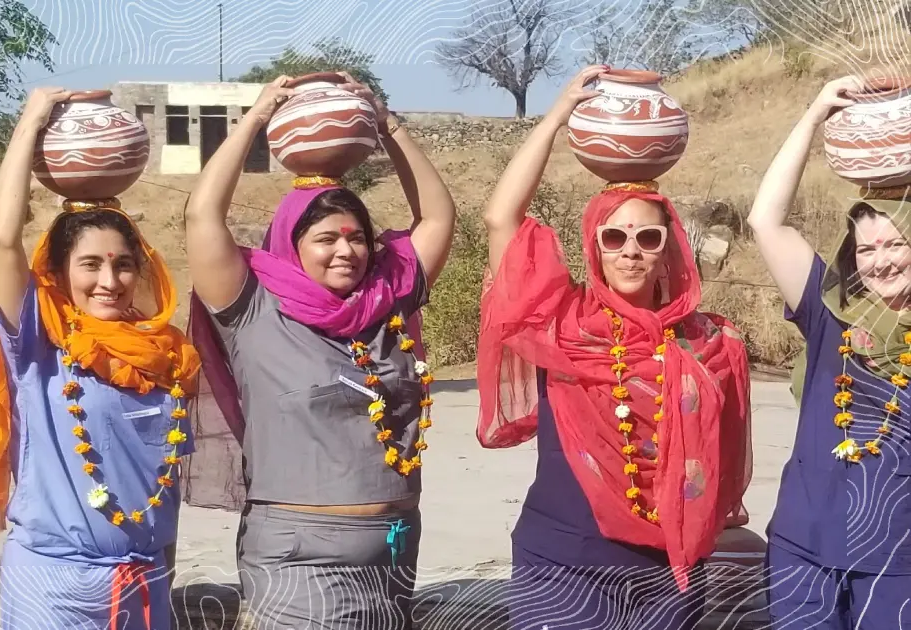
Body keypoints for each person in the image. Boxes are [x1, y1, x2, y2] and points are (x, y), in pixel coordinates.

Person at [476, 65, 752, 630]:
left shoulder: (708, 341)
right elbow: (501, 218)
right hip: (563, 564)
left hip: (669, 572)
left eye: (648, 237)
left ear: (668, 250)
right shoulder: (562, 323)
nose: (630, 251)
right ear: (594, 247)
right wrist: (557, 116)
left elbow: (724, 457)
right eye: (614, 237)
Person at [182, 73, 457, 629]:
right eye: (326, 239)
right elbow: (201, 215)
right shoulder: (251, 306)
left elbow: (437, 218)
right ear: (293, 243)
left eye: (356, 237)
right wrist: (256, 118)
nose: (345, 251)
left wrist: (387, 123)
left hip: (394, 553)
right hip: (299, 560)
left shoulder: (387, 300)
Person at [0, 87, 201, 630]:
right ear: (59, 271)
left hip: (144, 581)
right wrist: (32, 120)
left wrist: (159, 582)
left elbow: (160, 493)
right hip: (53, 586)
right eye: (90, 264)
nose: (109, 280)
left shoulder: (165, 356)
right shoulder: (40, 345)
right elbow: (2, 242)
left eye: (122, 265)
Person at [748, 74, 911, 629]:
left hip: (897, 565)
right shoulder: (829, 315)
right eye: (866, 249)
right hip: (804, 552)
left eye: (896, 244)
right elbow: (765, 220)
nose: (880, 261)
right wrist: (815, 113)